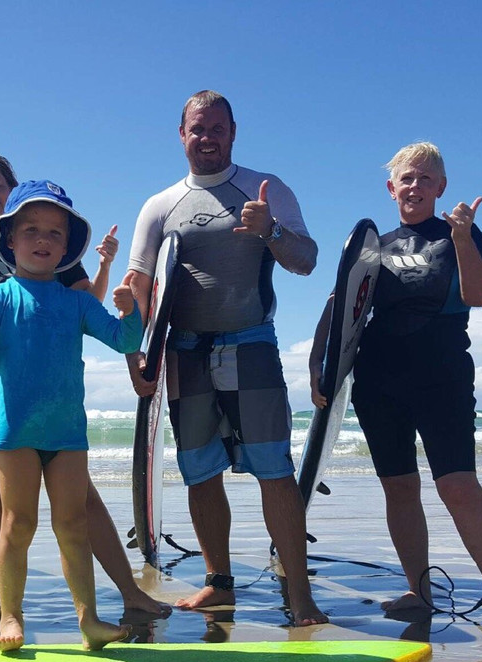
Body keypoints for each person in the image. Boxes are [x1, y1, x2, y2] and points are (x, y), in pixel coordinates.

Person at [0, 153, 169, 617]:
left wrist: (132, 337)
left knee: (78, 509)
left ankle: (124, 593)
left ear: (11, 187)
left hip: (57, 407)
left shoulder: (49, 236)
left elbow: (90, 313)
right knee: (7, 511)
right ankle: (7, 603)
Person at [124, 90, 328, 626]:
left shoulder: (265, 189)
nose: (207, 137)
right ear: (181, 133)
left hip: (251, 343)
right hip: (184, 353)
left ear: (233, 132)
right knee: (199, 472)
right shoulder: (160, 205)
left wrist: (272, 231)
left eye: (217, 128)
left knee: (273, 469)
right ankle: (218, 582)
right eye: (197, 128)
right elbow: (141, 288)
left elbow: (306, 261)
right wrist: (134, 353)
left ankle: (300, 593)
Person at [349, 141, 482, 632]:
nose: (415, 186)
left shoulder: (462, 235)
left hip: (442, 377)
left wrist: (461, 238)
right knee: (398, 487)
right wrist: (318, 367)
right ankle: (419, 590)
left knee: (456, 484)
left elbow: (479, 295)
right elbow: (344, 309)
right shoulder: (374, 244)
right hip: (378, 379)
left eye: (425, 179)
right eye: (406, 179)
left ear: (441, 187)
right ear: (392, 189)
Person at [0, 180, 141, 651]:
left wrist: (132, 312)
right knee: (18, 523)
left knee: (73, 525)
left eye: (55, 234)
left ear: (66, 247)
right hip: (14, 433)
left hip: (67, 434)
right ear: (10, 240)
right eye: (31, 230)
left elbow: (122, 340)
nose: (43, 240)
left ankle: (90, 621)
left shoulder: (77, 301)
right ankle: (11, 617)